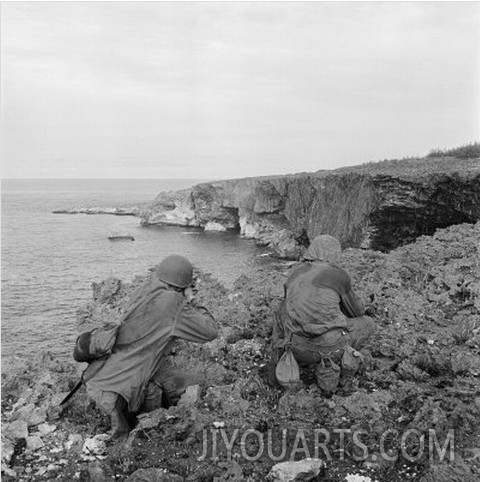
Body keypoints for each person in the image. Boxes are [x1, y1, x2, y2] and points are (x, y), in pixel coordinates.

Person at [82, 254, 218, 438]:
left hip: (97, 383)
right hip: (115, 399)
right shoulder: (173, 302)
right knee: (125, 448)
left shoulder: (143, 290)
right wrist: (192, 299)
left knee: (159, 385)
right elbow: (210, 331)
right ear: (182, 286)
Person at [272, 234, 376, 393]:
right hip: (330, 348)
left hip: (296, 348)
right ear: (336, 254)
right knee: (368, 323)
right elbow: (357, 312)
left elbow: (289, 306)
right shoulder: (338, 275)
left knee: (280, 308)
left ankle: (278, 357)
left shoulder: (294, 273)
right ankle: (348, 366)